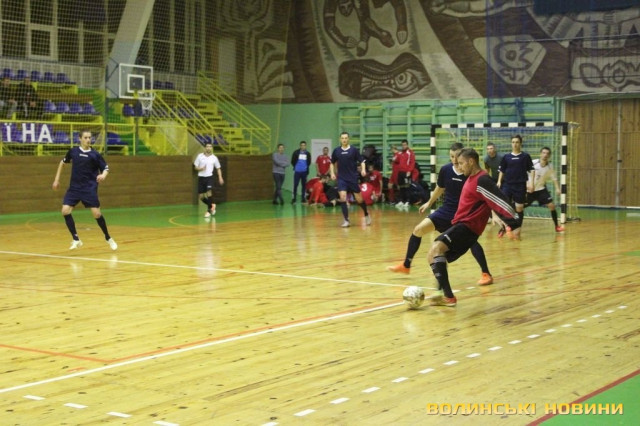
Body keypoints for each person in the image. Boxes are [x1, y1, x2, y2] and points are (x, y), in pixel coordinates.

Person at [387, 143, 494, 286]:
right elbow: (440, 188)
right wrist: (429, 203)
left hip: (462, 215)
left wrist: (491, 214)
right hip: (445, 211)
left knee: (471, 242)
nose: (454, 160)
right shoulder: (446, 169)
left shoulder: (470, 173)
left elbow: (485, 196)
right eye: (451, 156)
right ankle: (406, 265)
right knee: (418, 230)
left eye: (457, 157)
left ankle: (486, 273)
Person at [426, 148, 521, 307]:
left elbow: (499, 200)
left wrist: (513, 223)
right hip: (461, 225)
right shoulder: (471, 178)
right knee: (432, 256)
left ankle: (448, 297)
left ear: (471, 161)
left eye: (461, 163)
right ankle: (440, 293)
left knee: (436, 248)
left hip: (468, 227)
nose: (459, 166)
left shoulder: (482, 179)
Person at [52, 130, 117, 251]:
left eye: (90, 137)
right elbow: (62, 163)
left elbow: (106, 168)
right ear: (80, 138)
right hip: (74, 188)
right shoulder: (73, 151)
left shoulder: (95, 154)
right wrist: (56, 180)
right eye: (86, 137)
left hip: (89, 188)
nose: (88, 140)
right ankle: (76, 239)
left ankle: (108, 237)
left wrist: (103, 175)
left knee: (97, 214)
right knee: (65, 211)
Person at [330, 131, 371, 227]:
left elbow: (362, 161)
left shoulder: (353, 150)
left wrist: (363, 170)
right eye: (342, 138)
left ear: (348, 139)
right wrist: (332, 173)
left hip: (352, 178)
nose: (344, 140)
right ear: (340, 139)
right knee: (343, 197)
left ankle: (366, 213)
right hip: (341, 179)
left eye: (346, 138)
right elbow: (332, 162)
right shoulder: (336, 151)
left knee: (359, 200)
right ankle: (346, 220)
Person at [497, 135, 534, 238]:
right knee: (504, 207)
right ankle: (505, 227)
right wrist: (499, 181)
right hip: (507, 185)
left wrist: (531, 183)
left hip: (520, 185)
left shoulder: (525, 156)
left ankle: (518, 229)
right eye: (513, 142)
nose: (515, 144)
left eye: (517, 142)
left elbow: (531, 170)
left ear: (520, 143)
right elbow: (502, 170)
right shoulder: (506, 157)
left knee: (519, 209)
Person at [526, 146, 565, 232]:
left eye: (547, 153)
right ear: (540, 154)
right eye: (543, 153)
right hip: (529, 190)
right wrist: (526, 185)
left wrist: (557, 188)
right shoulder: (533, 163)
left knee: (551, 205)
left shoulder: (550, 167)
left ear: (549, 156)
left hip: (541, 190)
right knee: (520, 207)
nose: (545, 155)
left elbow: (554, 179)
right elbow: (523, 173)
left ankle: (557, 226)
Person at [194, 141, 224, 217]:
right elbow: (195, 167)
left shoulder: (214, 158)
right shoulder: (200, 156)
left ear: (212, 148)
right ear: (205, 148)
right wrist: (200, 168)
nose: (209, 148)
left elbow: (218, 168)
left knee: (209, 192)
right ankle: (212, 205)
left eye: (210, 146)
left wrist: (220, 177)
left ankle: (208, 211)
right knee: (201, 197)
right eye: (207, 146)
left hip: (209, 177)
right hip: (201, 178)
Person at [394, 139, 415, 208]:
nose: (403, 146)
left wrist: (409, 171)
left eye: (405, 145)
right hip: (400, 172)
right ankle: (401, 201)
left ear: (407, 145)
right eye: (402, 145)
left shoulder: (410, 153)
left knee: (407, 187)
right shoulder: (400, 153)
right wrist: (396, 153)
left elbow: (412, 162)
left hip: (407, 172)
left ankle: (407, 201)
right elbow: (395, 160)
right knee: (401, 187)